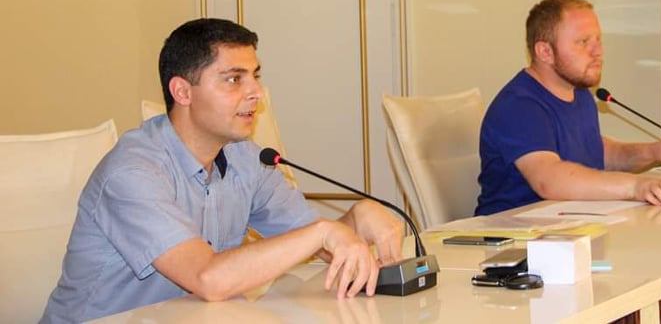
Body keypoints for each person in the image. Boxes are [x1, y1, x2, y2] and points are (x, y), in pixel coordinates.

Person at [42, 18, 403, 323]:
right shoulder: (133, 172)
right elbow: (209, 279)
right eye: (234, 79)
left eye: (255, 76)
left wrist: (356, 220)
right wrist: (324, 233)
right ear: (183, 92)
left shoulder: (246, 158)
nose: (257, 92)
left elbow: (313, 241)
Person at [476, 0, 661, 215]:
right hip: (517, 236)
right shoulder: (519, 106)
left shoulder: (580, 94)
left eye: (598, 40)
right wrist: (635, 186)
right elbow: (549, 180)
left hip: (569, 229)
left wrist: (653, 151)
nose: (598, 52)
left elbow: (601, 153)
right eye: (583, 42)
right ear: (545, 52)